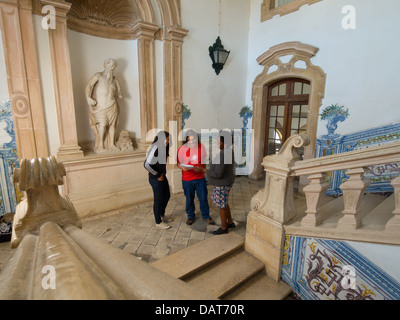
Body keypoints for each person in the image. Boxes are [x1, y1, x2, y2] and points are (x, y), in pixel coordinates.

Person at [177, 129, 215, 226]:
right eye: (190, 140)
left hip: (200, 178)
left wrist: (202, 170)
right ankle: (190, 216)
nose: (192, 142)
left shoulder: (201, 147)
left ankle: (206, 215)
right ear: (186, 141)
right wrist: (182, 167)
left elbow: (204, 161)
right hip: (187, 179)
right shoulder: (181, 149)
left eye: (194, 139)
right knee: (189, 198)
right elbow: (178, 163)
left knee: (203, 198)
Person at [85, 58, 122, 153]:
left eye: (114, 66)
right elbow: (89, 85)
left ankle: (112, 145)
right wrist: (88, 98)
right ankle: (100, 145)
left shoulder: (114, 79)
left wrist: (119, 94)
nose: (113, 67)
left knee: (112, 125)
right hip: (101, 106)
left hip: (112, 105)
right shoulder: (99, 76)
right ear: (106, 65)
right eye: (111, 65)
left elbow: (119, 92)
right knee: (103, 124)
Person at [206, 131, 235, 235]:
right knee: (225, 203)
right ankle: (230, 222)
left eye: (219, 141)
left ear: (225, 143)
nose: (217, 143)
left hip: (223, 183)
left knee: (222, 206)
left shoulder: (224, 153)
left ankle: (224, 228)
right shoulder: (229, 151)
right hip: (227, 181)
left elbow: (218, 173)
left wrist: (205, 171)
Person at [144, 131, 173, 230]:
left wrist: (161, 175)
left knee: (167, 195)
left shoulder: (164, 148)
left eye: (169, 139)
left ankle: (161, 215)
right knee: (158, 199)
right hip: (155, 178)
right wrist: (157, 175)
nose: (168, 141)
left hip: (162, 176)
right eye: (167, 139)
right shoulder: (155, 147)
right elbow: (147, 164)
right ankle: (158, 222)